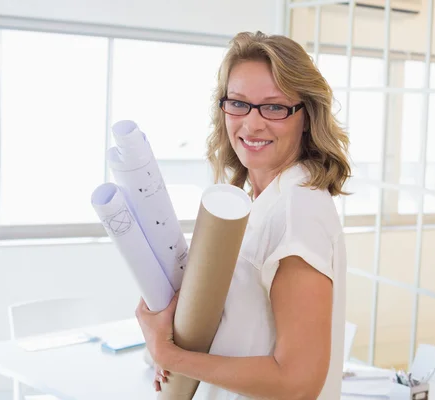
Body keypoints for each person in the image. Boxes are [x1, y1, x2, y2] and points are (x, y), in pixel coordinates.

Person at [135, 30, 351, 400]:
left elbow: (298, 382)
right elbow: (243, 332)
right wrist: (176, 347)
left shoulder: (299, 212)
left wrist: (171, 354)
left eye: (274, 107)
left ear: (306, 115)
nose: (252, 124)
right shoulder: (256, 200)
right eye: (238, 103)